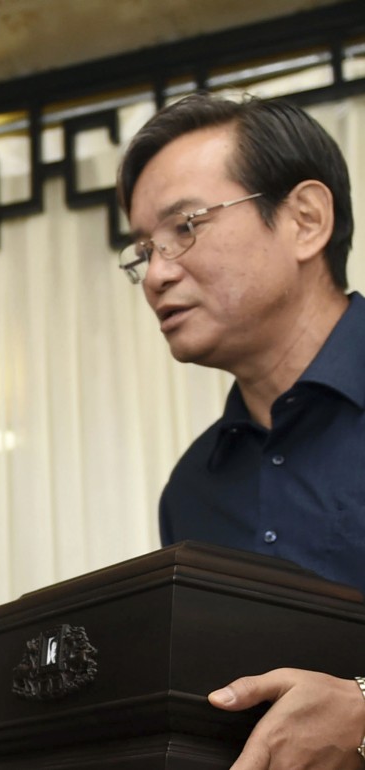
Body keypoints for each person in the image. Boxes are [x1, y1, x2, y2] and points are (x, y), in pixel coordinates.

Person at [116, 92, 363, 769]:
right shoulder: (194, 486)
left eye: (186, 227)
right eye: (143, 250)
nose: (158, 273)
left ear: (305, 220)